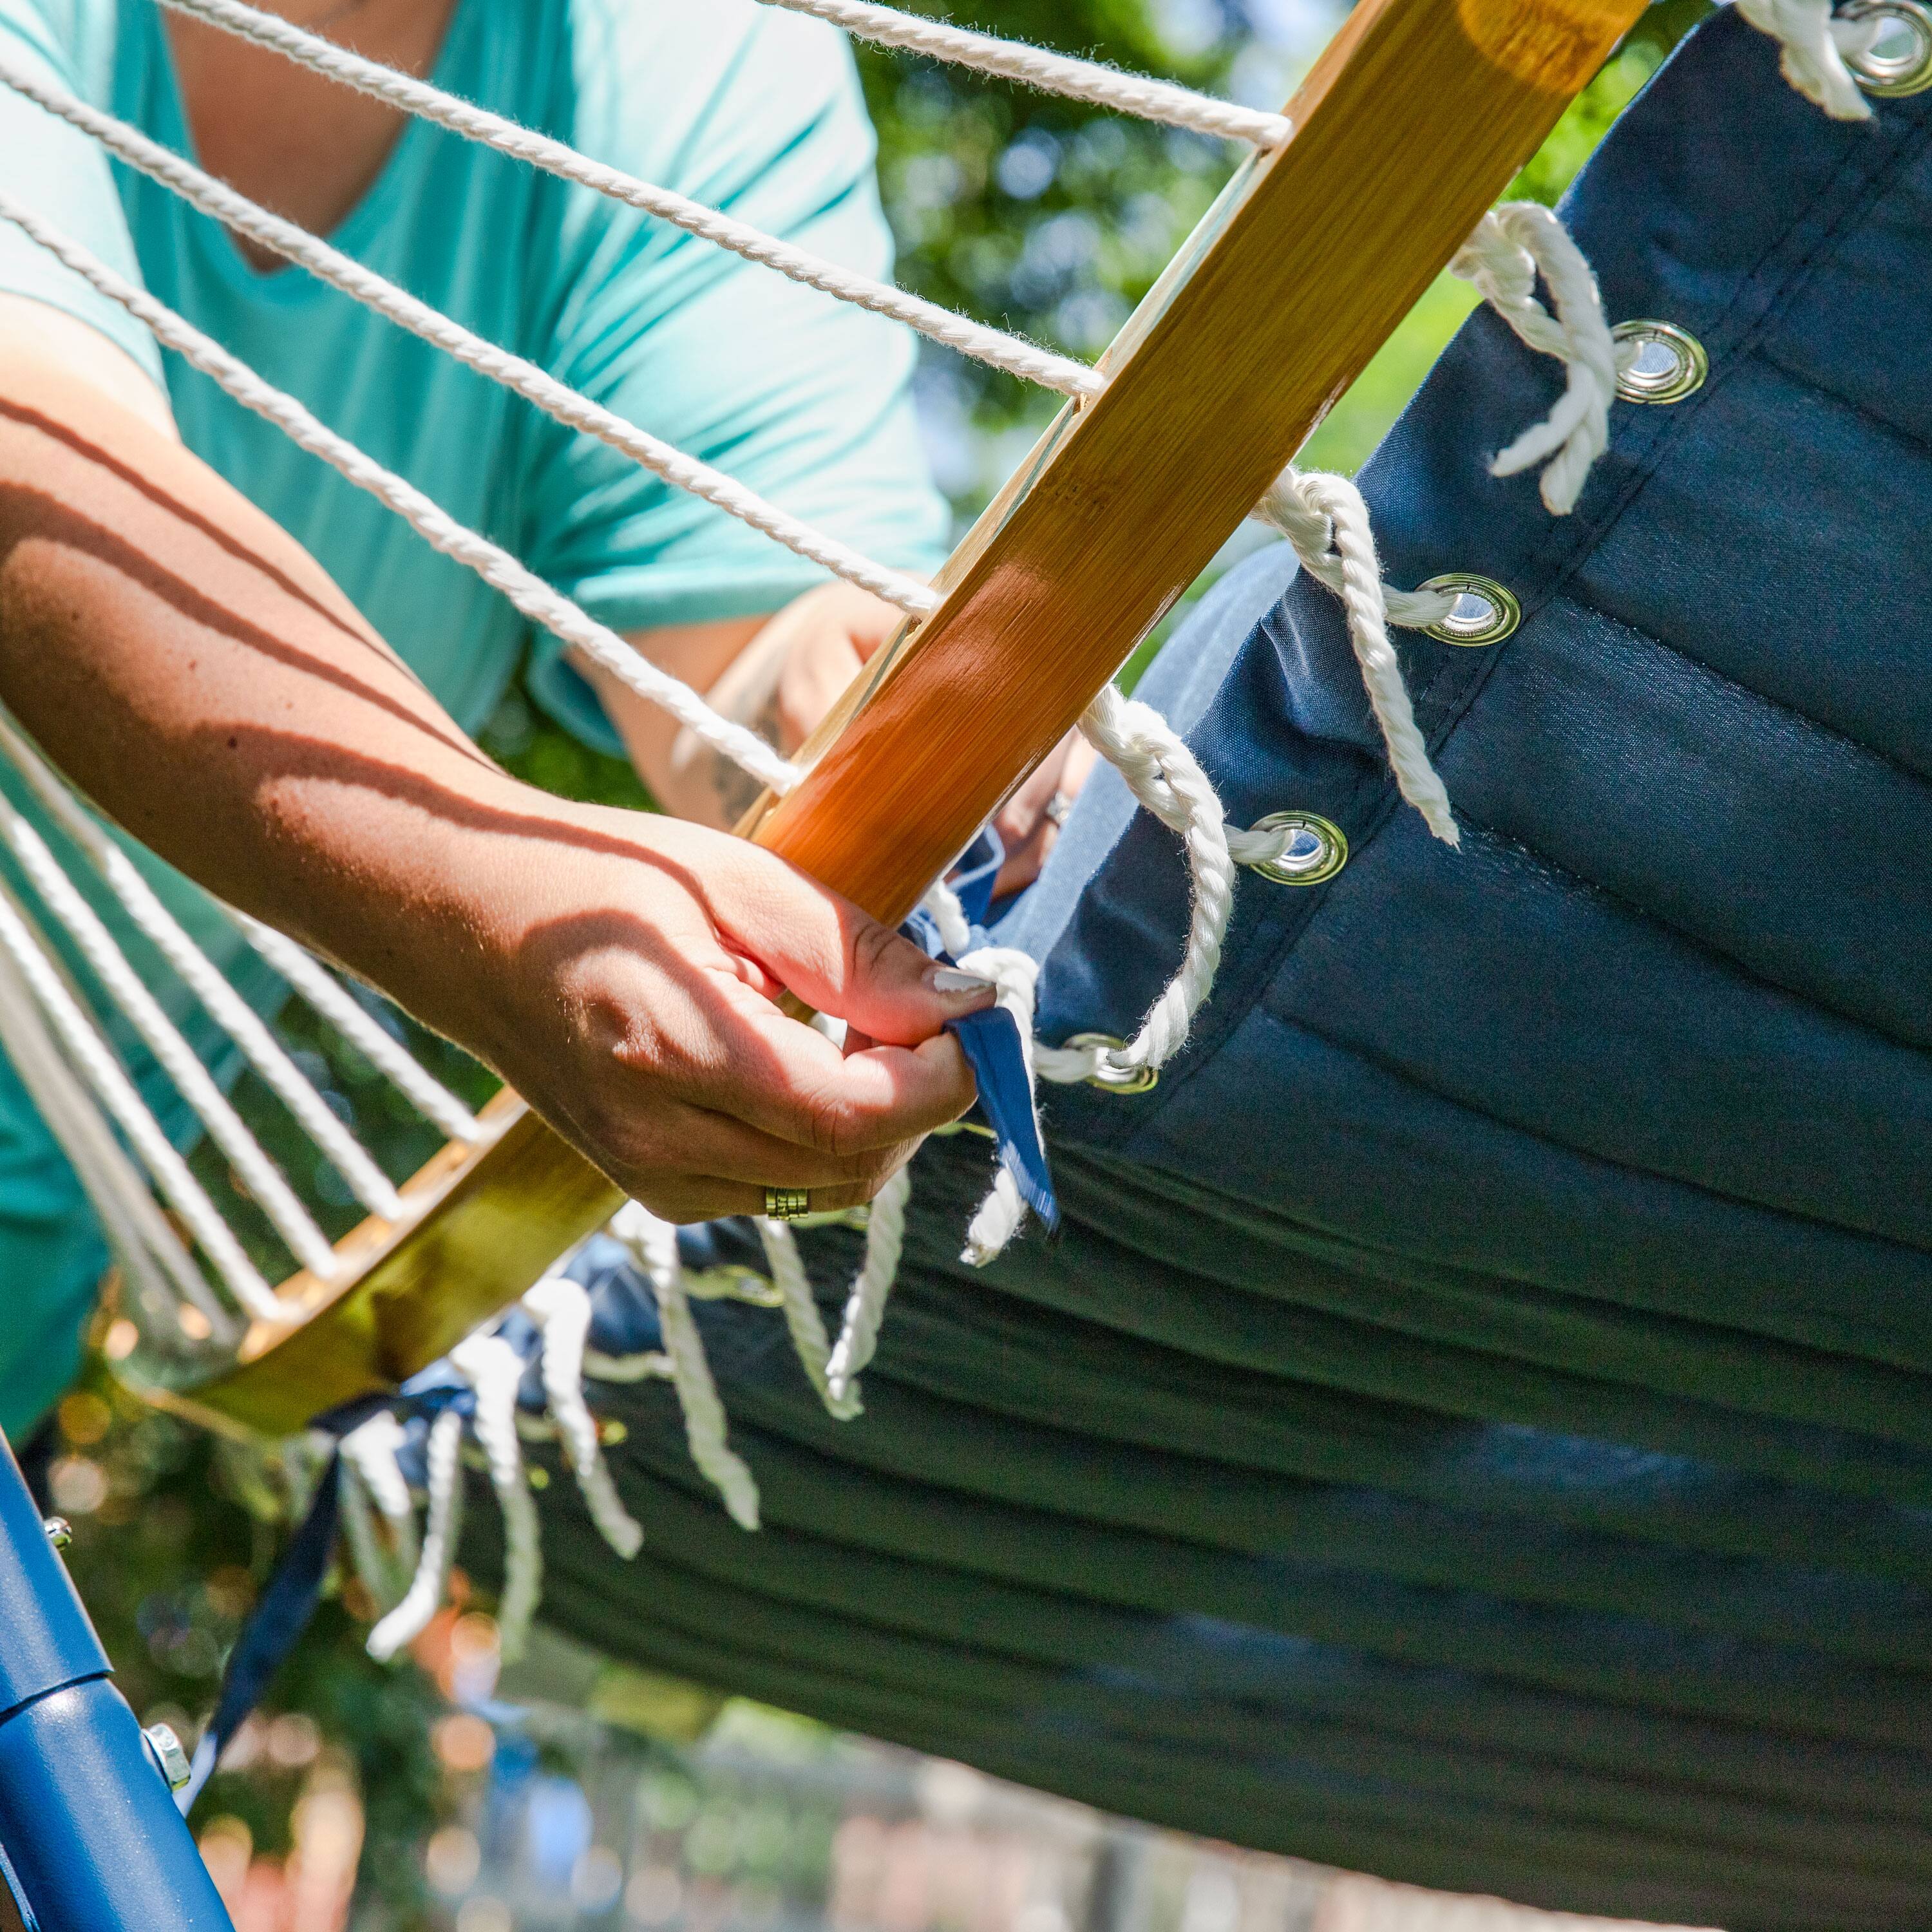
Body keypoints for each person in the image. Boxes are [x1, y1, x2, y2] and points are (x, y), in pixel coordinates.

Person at [0, 0, 1086, 1437]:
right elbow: (33, 466)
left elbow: (754, 657)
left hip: (49, 1200)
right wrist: (487, 888)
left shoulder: (686, 55)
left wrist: (930, 740)